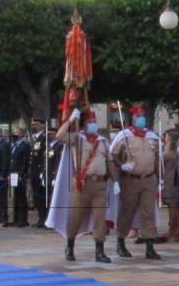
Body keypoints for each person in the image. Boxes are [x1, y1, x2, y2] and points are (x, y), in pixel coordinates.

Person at [54, 108, 113, 263]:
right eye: (90, 122)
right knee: (76, 217)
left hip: (100, 184)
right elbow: (59, 135)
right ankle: (70, 245)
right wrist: (71, 120)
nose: (93, 124)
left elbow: (109, 161)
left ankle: (99, 251)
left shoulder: (103, 141)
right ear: (84, 124)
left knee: (100, 218)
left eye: (94, 122)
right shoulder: (77, 139)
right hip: (82, 184)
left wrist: (116, 181)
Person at [111, 106, 163, 260]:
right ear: (132, 119)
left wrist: (161, 179)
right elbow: (112, 156)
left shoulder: (152, 136)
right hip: (131, 179)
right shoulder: (124, 136)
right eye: (138, 116)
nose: (141, 118)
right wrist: (121, 166)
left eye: (143, 115)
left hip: (149, 178)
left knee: (149, 213)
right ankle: (120, 242)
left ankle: (149, 246)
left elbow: (158, 159)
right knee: (127, 211)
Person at [28, 118, 52, 227]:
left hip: (40, 172)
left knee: (43, 196)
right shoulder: (35, 138)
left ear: (42, 125)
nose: (34, 126)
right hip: (34, 172)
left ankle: (45, 219)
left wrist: (44, 170)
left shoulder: (45, 137)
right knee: (37, 197)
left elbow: (48, 155)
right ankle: (40, 218)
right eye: (32, 124)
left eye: (36, 124)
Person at [10, 126, 31, 227]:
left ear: (21, 134)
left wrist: (23, 173)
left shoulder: (25, 145)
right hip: (14, 173)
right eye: (14, 132)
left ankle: (23, 219)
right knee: (16, 196)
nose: (15, 134)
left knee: (22, 196)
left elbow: (25, 161)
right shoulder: (14, 145)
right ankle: (16, 218)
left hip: (20, 174)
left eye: (17, 132)